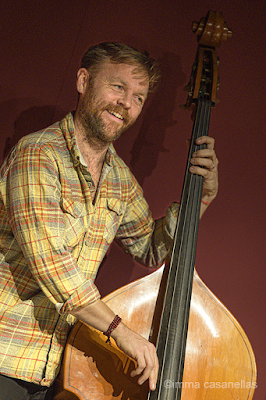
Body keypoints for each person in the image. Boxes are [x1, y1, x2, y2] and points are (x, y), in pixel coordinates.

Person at [0, 42, 218, 399]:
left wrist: (201, 196)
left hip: (51, 369)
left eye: (138, 98)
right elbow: (53, 265)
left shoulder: (119, 179)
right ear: (84, 81)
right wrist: (122, 333)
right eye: (118, 87)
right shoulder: (38, 155)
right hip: (6, 356)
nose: (126, 104)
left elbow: (150, 248)